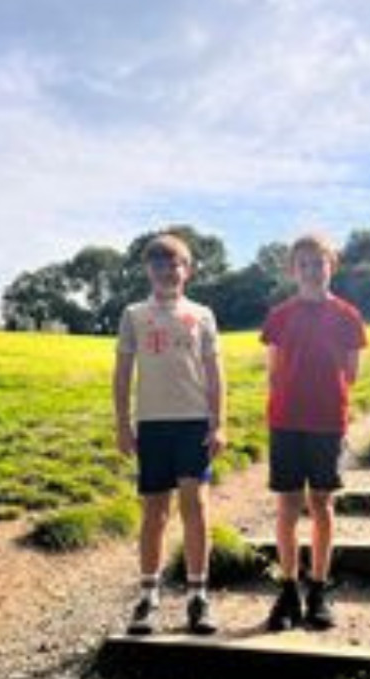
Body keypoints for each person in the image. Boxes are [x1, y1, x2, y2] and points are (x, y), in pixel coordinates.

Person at [113, 233, 227, 635]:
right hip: (152, 424)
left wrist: (219, 422)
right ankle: (148, 597)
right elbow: (124, 372)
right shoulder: (133, 314)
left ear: (187, 270)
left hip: (193, 422)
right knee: (154, 513)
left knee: (195, 506)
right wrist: (122, 423)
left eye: (174, 263)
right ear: (148, 270)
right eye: (158, 264)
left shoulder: (203, 314)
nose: (166, 270)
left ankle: (198, 597)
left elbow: (214, 374)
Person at [261, 233, 367, 631]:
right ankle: (288, 590)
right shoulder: (280, 315)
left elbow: (351, 373)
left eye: (318, 263)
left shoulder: (348, 316)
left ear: (330, 266)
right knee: (288, 506)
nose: (311, 270)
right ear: (293, 270)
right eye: (303, 264)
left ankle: (319, 588)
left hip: (327, 422)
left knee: (321, 504)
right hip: (286, 421)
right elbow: (273, 371)